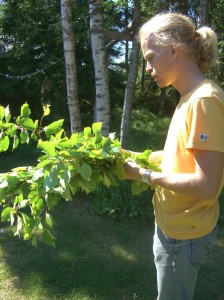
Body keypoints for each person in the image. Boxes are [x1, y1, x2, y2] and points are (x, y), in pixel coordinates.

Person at [123, 12, 224, 300]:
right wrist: (129, 155)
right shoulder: (189, 98)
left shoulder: (203, 100)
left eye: (151, 57)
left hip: (184, 236)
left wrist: (143, 175)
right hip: (174, 226)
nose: (149, 67)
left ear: (172, 50)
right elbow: (176, 157)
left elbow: (207, 186)